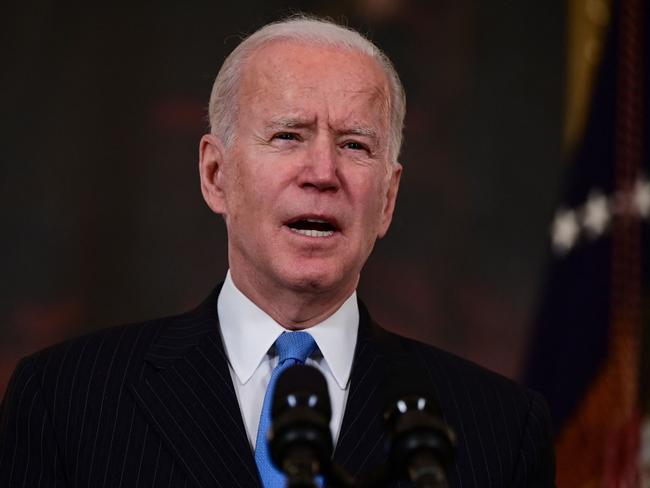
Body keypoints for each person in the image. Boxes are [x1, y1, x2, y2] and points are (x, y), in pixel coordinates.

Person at [0, 15, 555, 487]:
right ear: (216, 175)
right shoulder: (65, 401)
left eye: (355, 145)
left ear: (387, 198)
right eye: (288, 136)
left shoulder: (498, 429)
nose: (322, 173)